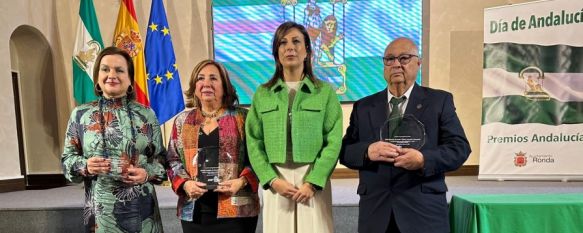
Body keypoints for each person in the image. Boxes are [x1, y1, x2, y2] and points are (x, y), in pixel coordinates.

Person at [339, 37, 471, 233]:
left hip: (423, 210)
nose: (396, 64)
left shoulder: (438, 101)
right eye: (389, 59)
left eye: (404, 58)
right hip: (376, 212)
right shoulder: (364, 106)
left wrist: (423, 159)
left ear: (418, 63)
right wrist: (367, 151)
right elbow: (345, 151)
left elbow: (459, 148)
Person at [246, 21, 343, 233]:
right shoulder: (262, 93)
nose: (290, 47)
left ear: (307, 51)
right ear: (276, 53)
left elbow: (333, 141)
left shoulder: (324, 92)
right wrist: (271, 179)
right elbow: (253, 141)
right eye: (283, 43)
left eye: (296, 41)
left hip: (313, 177)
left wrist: (314, 182)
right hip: (277, 179)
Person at [61, 46, 167, 233]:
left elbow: (163, 162)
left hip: (142, 211)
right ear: (97, 77)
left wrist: (147, 173)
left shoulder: (146, 114)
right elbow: (67, 162)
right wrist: (86, 166)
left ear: (130, 80)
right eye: (105, 69)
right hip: (100, 213)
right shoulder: (81, 115)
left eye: (119, 70)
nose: (112, 75)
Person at [166, 60, 260, 233]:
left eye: (213, 78)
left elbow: (259, 158)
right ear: (195, 86)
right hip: (194, 212)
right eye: (200, 78)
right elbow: (172, 160)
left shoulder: (243, 118)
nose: (206, 83)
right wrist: (185, 184)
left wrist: (242, 181)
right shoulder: (183, 121)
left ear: (225, 86)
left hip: (237, 211)